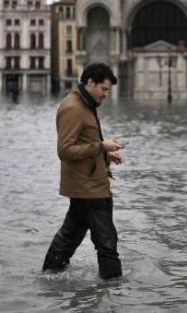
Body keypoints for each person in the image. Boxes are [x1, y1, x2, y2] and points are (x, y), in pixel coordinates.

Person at [43, 63, 124, 280]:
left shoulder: (85, 103)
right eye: (104, 89)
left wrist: (106, 155)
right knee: (107, 242)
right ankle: (115, 290)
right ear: (90, 82)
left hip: (87, 183)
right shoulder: (73, 108)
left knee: (69, 236)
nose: (106, 94)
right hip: (89, 188)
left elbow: (84, 142)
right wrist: (101, 147)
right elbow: (65, 150)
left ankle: (49, 276)